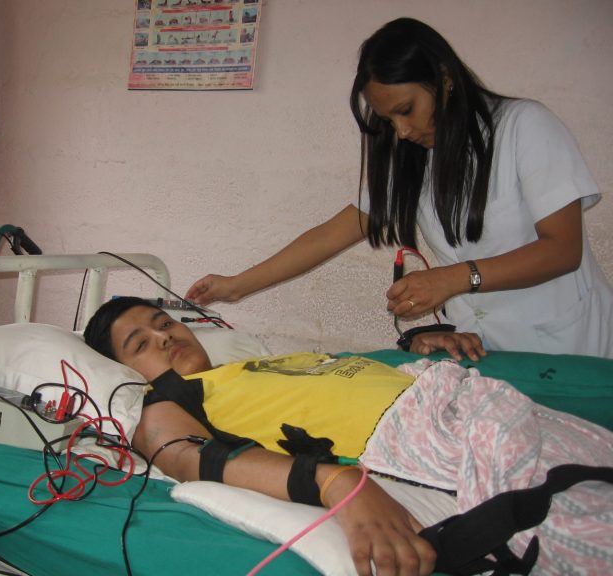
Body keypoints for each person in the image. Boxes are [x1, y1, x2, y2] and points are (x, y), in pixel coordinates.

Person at [84, 297, 613, 576]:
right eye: (140, 343)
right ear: (124, 371)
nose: (164, 336)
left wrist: (416, 343)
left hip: (458, 394)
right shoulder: (165, 403)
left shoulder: (254, 363)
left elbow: (343, 377)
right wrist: (335, 483)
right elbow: (187, 458)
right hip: (423, 436)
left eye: (163, 323)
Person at [185, 17, 613, 359]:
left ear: (444, 78)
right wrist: (237, 285)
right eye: (389, 120)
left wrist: (453, 279)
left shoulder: (524, 127)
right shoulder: (411, 158)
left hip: (569, 345)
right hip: (486, 348)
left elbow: (563, 249)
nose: (402, 131)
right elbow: (329, 235)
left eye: (407, 110)